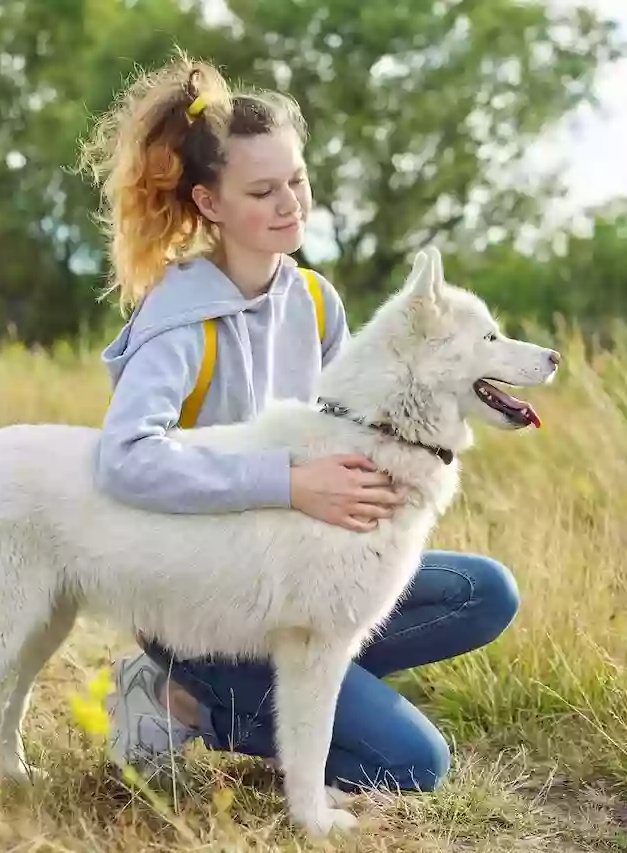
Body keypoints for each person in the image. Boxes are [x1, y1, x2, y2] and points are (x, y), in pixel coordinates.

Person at [77, 52, 520, 794]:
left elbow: (359, 434)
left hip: (301, 578)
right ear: (209, 204)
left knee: (486, 591)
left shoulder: (316, 301)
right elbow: (122, 460)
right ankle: (182, 697)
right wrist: (287, 482)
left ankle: (314, 683)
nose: (290, 204)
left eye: (297, 180)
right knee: (414, 763)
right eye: (262, 190)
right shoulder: (179, 319)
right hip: (205, 605)